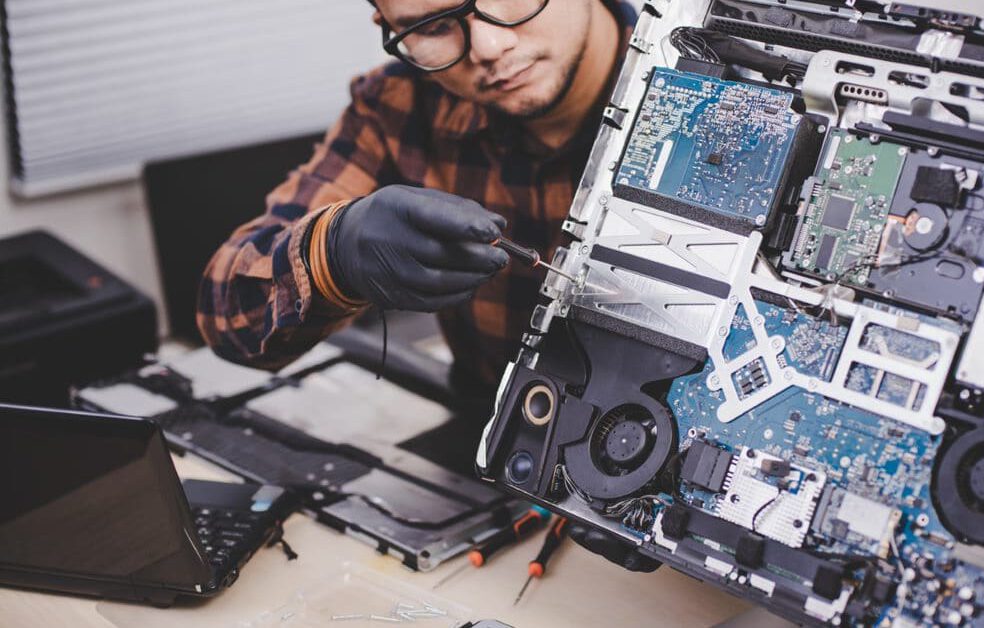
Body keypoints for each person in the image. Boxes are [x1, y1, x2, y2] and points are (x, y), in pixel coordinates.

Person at [197, 0, 658, 572]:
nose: (488, 49)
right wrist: (333, 254)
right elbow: (226, 317)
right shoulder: (398, 105)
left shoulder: (744, 95)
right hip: (494, 472)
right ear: (389, 29)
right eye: (433, 26)